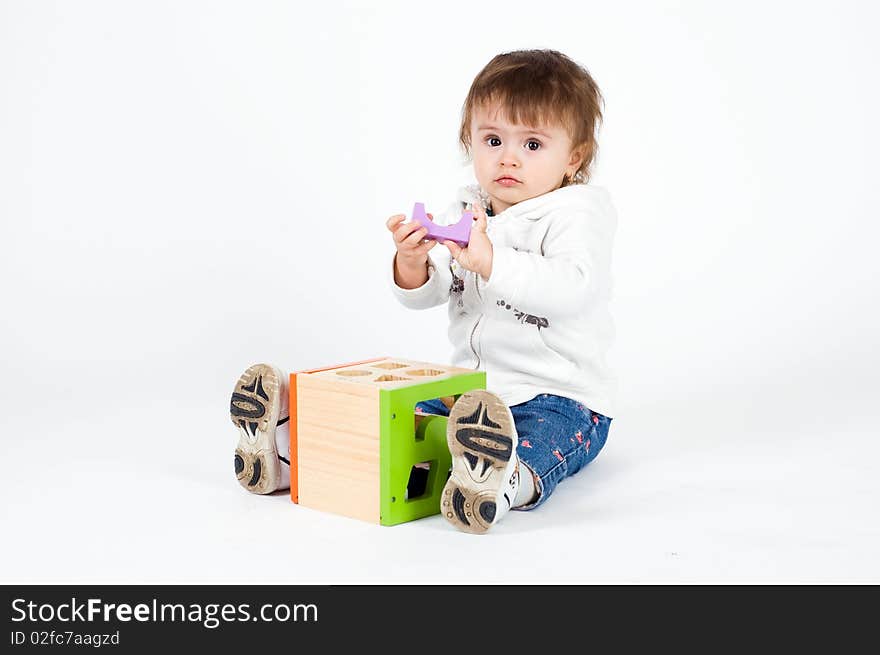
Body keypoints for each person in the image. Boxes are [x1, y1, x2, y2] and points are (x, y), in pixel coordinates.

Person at [230, 49, 616, 536]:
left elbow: (573, 289)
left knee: (538, 440)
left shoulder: (577, 213)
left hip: (560, 396)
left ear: (573, 158)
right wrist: (411, 262)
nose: (508, 157)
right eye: (493, 139)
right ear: (469, 143)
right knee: (403, 423)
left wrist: (490, 261)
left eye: (533, 144)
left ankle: (501, 483)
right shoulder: (467, 208)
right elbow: (427, 293)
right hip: (472, 396)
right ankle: (289, 454)